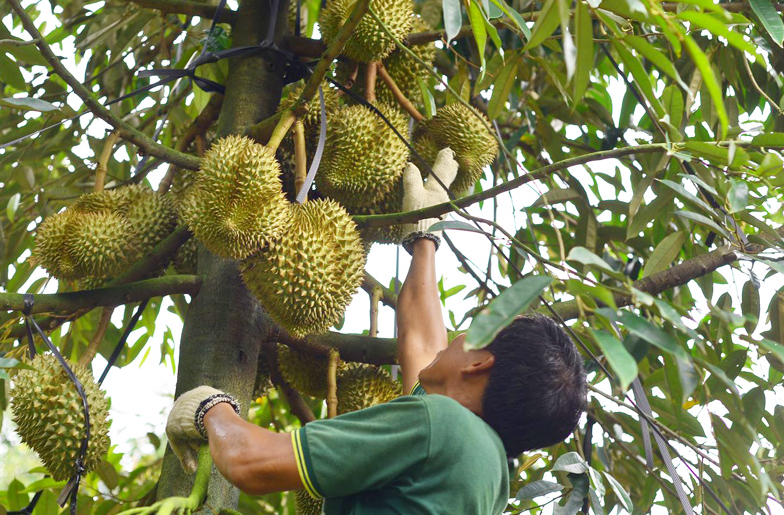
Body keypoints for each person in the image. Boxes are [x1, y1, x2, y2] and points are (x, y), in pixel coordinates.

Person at [164, 148, 588, 514]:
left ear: (479, 362)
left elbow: (248, 463)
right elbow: (423, 343)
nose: (457, 336)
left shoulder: (442, 425)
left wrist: (211, 409)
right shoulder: (486, 469)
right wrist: (425, 237)